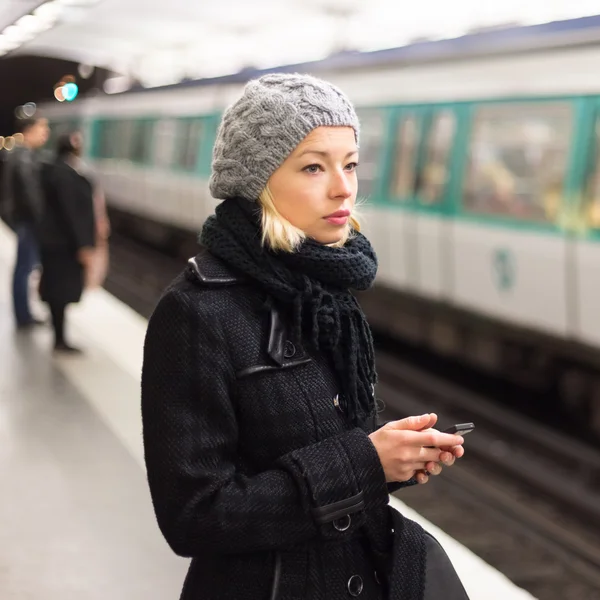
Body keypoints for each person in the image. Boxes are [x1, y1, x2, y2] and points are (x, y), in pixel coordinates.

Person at [141, 73, 469, 600]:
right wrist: (366, 461)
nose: (343, 187)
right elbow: (194, 516)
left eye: (351, 163)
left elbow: (325, 451)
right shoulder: (197, 313)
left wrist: (393, 457)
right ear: (259, 180)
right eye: (314, 166)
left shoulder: (324, 296)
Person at [39, 131, 96, 353]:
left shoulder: (56, 169)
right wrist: (83, 244)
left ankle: (59, 336)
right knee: (60, 292)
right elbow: (72, 213)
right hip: (63, 245)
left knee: (56, 291)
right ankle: (60, 339)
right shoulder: (64, 174)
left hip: (55, 242)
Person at [2, 117, 50, 328]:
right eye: (42, 128)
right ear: (29, 130)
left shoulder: (21, 155)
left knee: (24, 267)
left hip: (22, 219)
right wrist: (43, 220)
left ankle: (24, 313)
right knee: (24, 268)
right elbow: (31, 195)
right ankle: (23, 316)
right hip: (28, 221)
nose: (45, 133)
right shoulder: (24, 157)